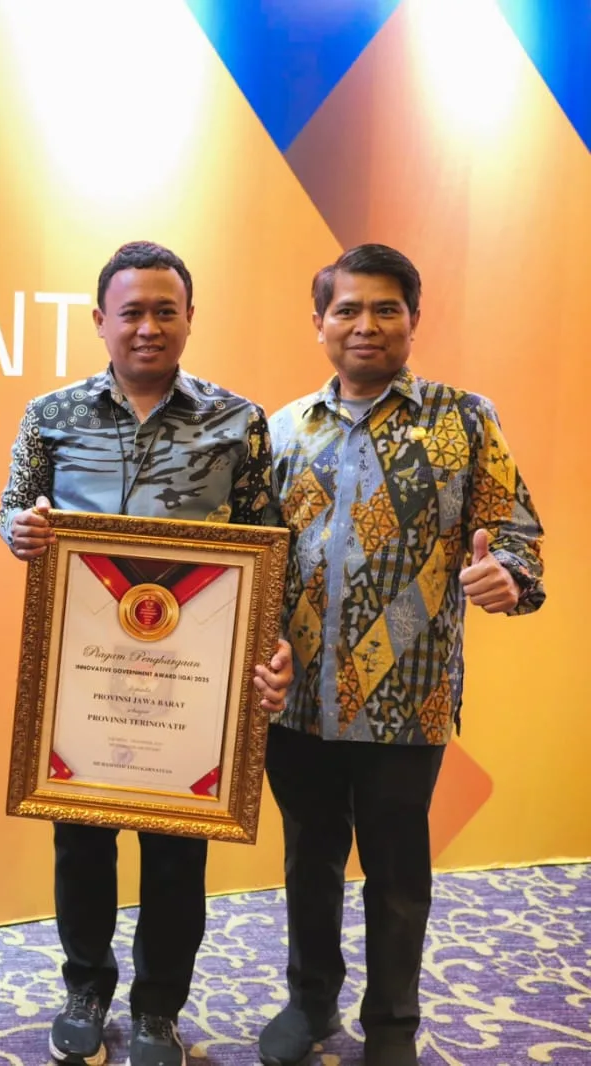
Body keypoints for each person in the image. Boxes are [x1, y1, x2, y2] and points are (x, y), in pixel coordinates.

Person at [0, 241, 293, 1066]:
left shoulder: (238, 421)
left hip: (191, 678)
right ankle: (86, 987)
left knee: (176, 849)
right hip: (83, 675)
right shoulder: (51, 416)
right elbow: (16, 514)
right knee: (81, 844)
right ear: (101, 320)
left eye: (167, 311)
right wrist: (21, 530)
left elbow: (268, 541)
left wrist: (270, 645)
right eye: (131, 312)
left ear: (190, 317)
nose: (149, 327)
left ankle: (160, 1007)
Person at [259, 244, 545, 1066]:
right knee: (309, 859)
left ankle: (392, 1025)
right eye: (347, 309)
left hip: (407, 698)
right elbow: (256, 557)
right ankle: (311, 1002)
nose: (366, 325)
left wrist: (509, 575)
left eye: (386, 308)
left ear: (414, 319)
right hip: (299, 699)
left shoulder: (465, 421)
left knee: (396, 870)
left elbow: (517, 532)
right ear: (319, 324)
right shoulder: (282, 431)